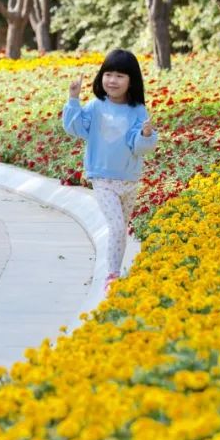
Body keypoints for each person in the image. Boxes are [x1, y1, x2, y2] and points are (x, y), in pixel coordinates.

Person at [62, 49, 158, 289]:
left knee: (120, 230)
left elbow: (139, 147)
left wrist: (146, 134)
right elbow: (76, 128)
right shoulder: (96, 106)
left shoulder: (138, 111)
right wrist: (73, 99)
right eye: (108, 74)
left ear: (131, 81)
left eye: (120, 76)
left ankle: (116, 270)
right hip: (102, 178)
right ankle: (112, 275)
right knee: (115, 227)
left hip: (129, 179)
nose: (112, 80)